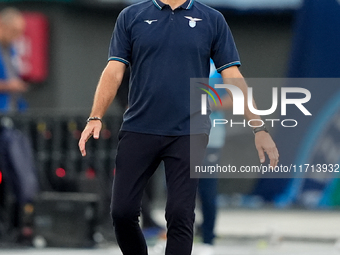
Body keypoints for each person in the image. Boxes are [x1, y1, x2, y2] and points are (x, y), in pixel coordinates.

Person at [78, 0, 279, 254]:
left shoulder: (212, 19)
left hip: (189, 131)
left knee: (180, 213)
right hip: (139, 127)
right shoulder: (131, 16)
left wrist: (259, 127)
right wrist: (95, 116)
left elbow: (233, 76)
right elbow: (114, 70)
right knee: (122, 212)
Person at [196, 60, 232, 255]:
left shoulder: (219, 66)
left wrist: (207, 103)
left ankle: (208, 239)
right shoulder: (182, 55)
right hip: (181, 135)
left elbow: (233, 98)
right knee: (177, 189)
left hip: (211, 137)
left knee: (207, 191)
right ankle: (179, 234)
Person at [0, 7, 27, 113]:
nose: (17, 36)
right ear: (2, 26)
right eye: (14, 31)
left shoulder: (11, 50)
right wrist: (8, 86)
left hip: (13, 111)